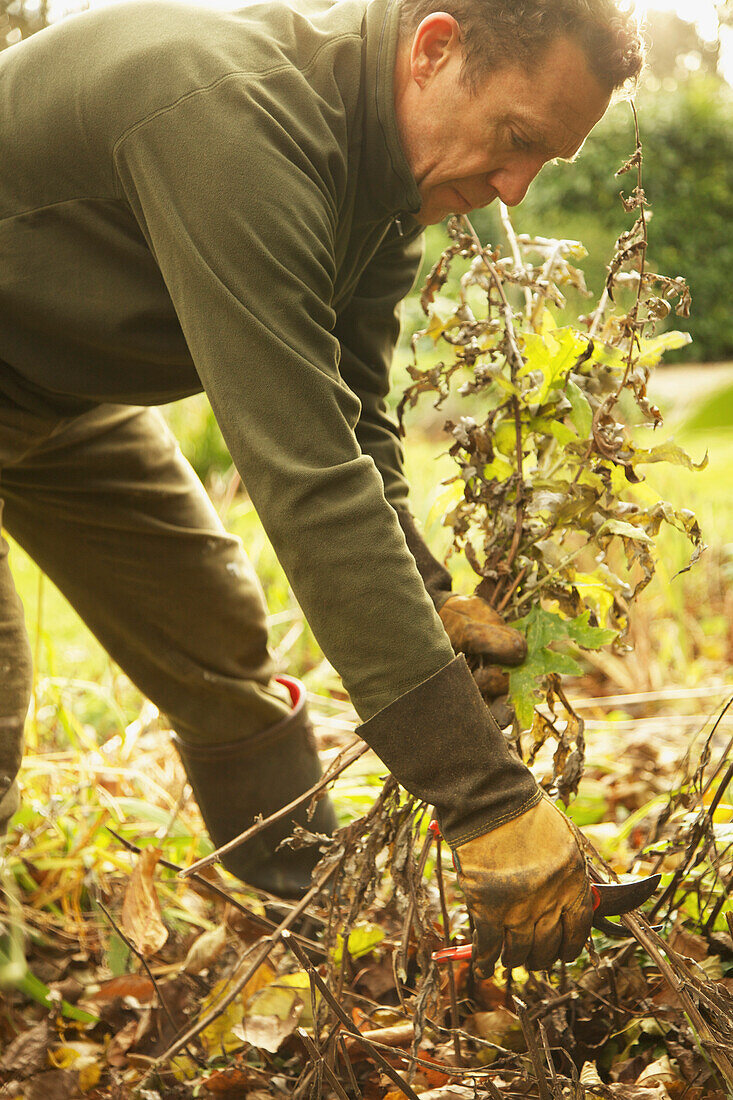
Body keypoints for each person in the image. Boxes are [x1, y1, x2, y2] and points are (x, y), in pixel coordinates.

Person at [0, 0, 643, 975]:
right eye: (514, 139)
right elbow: (306, 476)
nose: (512, 186)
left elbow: (356, 423)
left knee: (220, 646)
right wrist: (485, 797)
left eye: (541, 162)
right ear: (433, 49)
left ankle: (320, 952)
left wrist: (431, 597)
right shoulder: (231, 115)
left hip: (53, 392)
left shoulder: (386, 197)